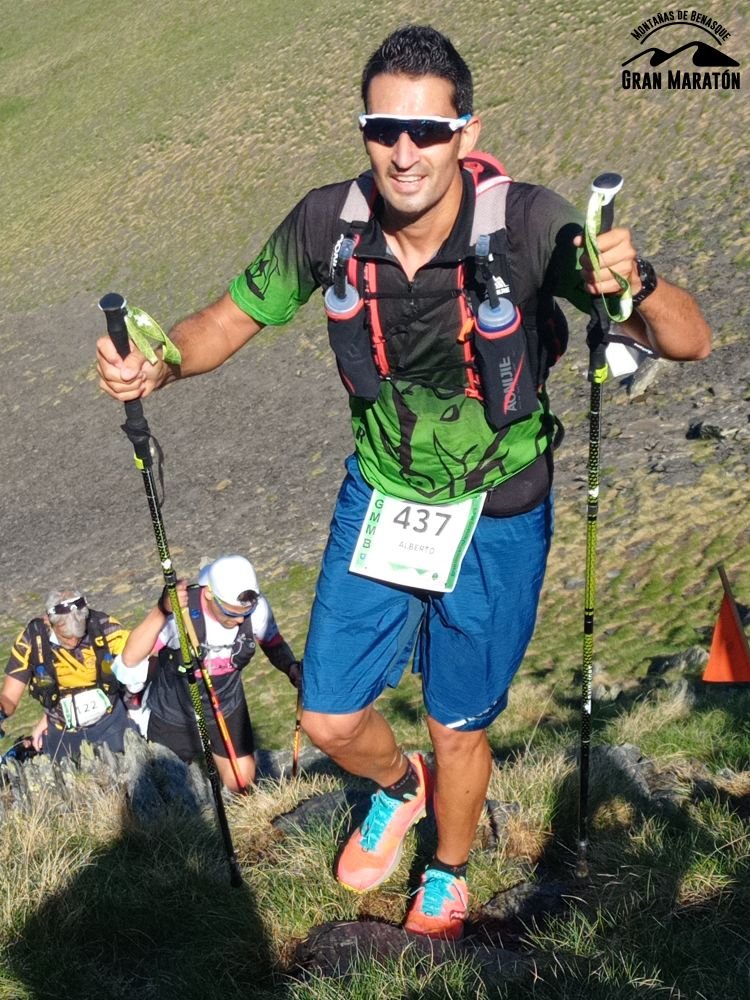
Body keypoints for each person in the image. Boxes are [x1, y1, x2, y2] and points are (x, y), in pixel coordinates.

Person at [97, 25, 711, 937]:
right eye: (385, 127)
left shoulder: (532, 225)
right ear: (365, 130)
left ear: (467, 133)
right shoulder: (329, 223)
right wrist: (161, 363)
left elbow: (689, 339)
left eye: (428, 129)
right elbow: (226, 319)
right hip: (383, 494)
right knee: (328, 717)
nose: (404, 150)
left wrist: (641, 279)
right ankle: (398, 787)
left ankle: (449, 871)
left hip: (498, 505)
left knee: (458, 722)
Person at [112, 555, 300, 792]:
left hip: (227, 705)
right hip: (174, 712)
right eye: (230, 612)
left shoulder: (257, 610)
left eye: (245, 612)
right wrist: (161, 610)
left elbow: (273, 644)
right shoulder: (181, 614)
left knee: (243, 782)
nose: (240, 619)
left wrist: (291, 668)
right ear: (209, 594)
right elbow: (130, 658)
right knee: (172, 789)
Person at [1, 588, 135, 759]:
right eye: (65, 636)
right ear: (50, 622)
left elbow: (138, 652)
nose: (73, 642)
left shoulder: (104, 627)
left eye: (79, 635)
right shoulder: (32, 639)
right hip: (62, 732)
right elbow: (9, 698)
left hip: (110, 723)